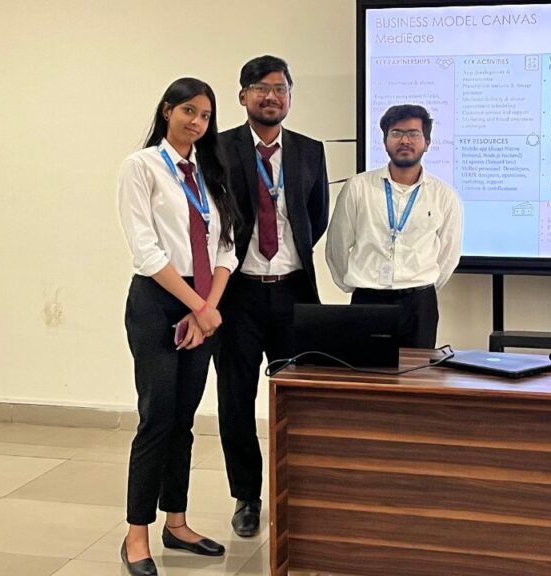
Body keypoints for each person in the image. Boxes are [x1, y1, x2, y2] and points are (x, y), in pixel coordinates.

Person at [117, 77, 241, 576]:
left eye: (206, 116)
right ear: (167, 110)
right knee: (157, 418)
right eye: (189, 110)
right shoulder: (141, 166)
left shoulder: (211, 172)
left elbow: (227, 248)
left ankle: (177, 522)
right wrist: (198, 307)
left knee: (184, 420)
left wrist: (207, 308)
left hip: (202, 302)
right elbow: (145, 250)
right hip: (157, 301)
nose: (197, 122)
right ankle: (136, 535)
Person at [216, 55, 330, 537]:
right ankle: (247, 496)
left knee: (298, 399)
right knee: (235, 400)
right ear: (243, 95)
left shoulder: (309, 150)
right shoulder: (217, 148)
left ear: (290, 96)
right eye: (261, 88)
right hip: (236, 295)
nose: (271, 96)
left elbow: (316, 217)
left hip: (293, 293)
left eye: (280, 88)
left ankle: (296, 490)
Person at [325, 104, 462, 348]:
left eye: (413, 134)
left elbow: (448, 254)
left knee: (417, 371)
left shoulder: (444, 195)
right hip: (368, 301)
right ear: (385, 141)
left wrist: (422, 284)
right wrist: (353, 283)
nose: (405, 141)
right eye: (396, 133)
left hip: (419, 305)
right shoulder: (358, 187)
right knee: (365, 370)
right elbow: (337, 245)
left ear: (427, 142)